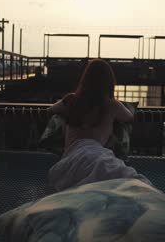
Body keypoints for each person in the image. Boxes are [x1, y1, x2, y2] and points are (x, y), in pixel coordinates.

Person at [47, 59, 151, 191]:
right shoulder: (112, 105)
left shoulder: (71, 100)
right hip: (96, 156)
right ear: (109, 82)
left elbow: (50, 111)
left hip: (69, 161)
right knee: (139, 187)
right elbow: (129, 116)